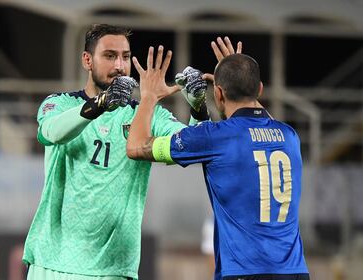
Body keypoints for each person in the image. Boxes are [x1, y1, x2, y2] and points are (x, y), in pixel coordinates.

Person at [22, 24, 209, 280]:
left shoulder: (143, 116)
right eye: (110, 56)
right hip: (54, 264)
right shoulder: (60, 103)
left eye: (125, 57)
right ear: (87, 60)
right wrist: (100, 104)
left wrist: (198, 108)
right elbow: (51, 133)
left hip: (114, 268)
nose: (120, 66)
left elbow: (194, 147)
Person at [126, 41, 310, 280]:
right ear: (260, 90)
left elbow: (135, 147)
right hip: (296, 272)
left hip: (244, 273)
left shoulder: (216, 136)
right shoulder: (289, 136)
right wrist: (240, 71)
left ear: (219, 93)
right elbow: (263, 121)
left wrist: (149, 97)